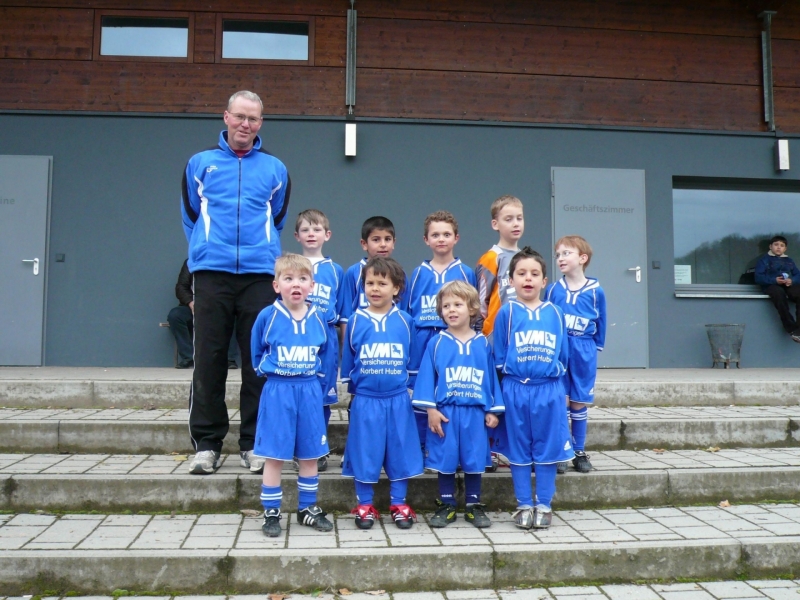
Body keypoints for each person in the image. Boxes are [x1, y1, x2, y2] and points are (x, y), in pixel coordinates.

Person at [181, 90, 291, 476]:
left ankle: (254, 444)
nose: (246, 124)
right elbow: (191, 216)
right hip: (212, 274)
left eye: (254, 119)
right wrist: (206, 251)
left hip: (260, 277)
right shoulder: (200, 164)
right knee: (208, 359)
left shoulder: (276, 169)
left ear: (261, 123)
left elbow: (276, 219)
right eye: (240, 116)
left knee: (257, 362)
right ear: (225, 116)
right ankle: (206, 445)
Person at [251, 254, 333, 537]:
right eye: (288, 279)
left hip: (309, 390)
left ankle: (307, 509)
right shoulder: (268, 316)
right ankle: (271, 511)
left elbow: (326, 353)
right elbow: (256, 351)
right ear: (277, 285)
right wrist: (268, 369)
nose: (295, 284)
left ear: (312, 284)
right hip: (278, 391)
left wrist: (320, 384)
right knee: (274, 456)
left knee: (310, 454)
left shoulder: (319, 317)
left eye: (302, 279)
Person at [493, 247, 573, 530]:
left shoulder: (555, 313)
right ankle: (524, 504)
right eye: (521, 273)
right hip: (516, 389)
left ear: (544, 280)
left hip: (548, 389)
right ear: (511, 280)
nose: (528, 279)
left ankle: (545, 504)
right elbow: (499, 357)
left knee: (547, 449)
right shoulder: (507, 312)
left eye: (534, 274)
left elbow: (563, 356)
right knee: (519, 449)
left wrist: (560, 389)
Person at [411, 281, 503, 529]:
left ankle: (473, 504)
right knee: (445, 457)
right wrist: (431, 409)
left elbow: (491, 379)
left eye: (458, 305)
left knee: (474, 458)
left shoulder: (482, 343)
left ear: (472, 308)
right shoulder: (437, 342)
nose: (451, 310)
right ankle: (446, 503)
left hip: (474, 412)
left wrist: (493, 410)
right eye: (446, 306)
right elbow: (428, 377)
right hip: (446, 412)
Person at [340, 257, 423, 530]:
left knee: (400, 450)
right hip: (366, 400)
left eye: (382, 283)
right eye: (369, 283)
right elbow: (350, 361)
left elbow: (412, 361)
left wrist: (409, 390)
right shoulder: (355, 320)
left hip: (398, 399)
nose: (375, 288)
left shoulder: (406, 321)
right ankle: (364, 504)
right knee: (365, 452)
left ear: (397, 288)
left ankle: (398, 503)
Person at [405, 211, 478, 446]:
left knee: (451, 389)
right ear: (426, 240)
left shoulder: (466, 272)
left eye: (447, 234)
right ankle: (420, 445)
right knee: (421, 391)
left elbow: (473, 310)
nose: (441, 239)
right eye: (435, 235)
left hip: (454, 337)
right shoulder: (417, 274)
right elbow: (408, 312)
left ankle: (449, 444)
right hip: (423, 337)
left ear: (456, 238)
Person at [545, 236, 606, 474]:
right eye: (558, 254)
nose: (560, 258)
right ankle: (561, 449)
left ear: (582, 258)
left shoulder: (595, 291)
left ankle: (579, 451)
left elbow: (601, 320)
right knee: (560, 400)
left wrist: (594, 348)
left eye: (566, 253)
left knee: (579, 401)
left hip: (583, 349)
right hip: (559, 350)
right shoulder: (553, 290)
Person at [294, 209, 344, 471]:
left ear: (327, 235)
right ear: (296, 235)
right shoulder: (288, 266)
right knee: (299, 396)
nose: (311, 234)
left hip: (326, 339)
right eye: (305, 230)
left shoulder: (336, 271)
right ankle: (298, 448)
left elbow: (343, 312)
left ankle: (318, 449)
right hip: (296, 341)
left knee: (322, 397)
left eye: (316, 230)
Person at [167, 260, 239, 370]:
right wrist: (191, 303)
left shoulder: (224, 263)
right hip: (193, 308)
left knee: (232, 315)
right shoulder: (190, 263)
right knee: (175, 315)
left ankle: (229, 359)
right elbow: (181, 287)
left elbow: (232, 288)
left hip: (219, 308)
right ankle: (188, 358)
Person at [338, 216, 408, 326]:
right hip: (361, 334)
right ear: (364, 244)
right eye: (376, 240)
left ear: (394, 242)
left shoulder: (400, 273)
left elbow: (404, 311)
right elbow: (346, 315)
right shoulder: (353, 272)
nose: (383, 244)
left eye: (388, 239)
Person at [476, 195, 525, 337]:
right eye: (508, 219)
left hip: (522, 330)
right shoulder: (491, 258)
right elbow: (480, 301)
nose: (516, 224)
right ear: (495, 224)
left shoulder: (527, 257)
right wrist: (481, 333)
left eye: (519, 218)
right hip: (495, 332)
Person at [755, 235, 800, 343]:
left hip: (787, 285)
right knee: (779, 296)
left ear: (785, 248)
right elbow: (759, 277)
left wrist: (791, 280)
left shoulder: (789, 260)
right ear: (770, 247)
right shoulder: (764, 260)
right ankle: (790, 327)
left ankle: (799, 329)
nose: (779, 247)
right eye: (776, 245)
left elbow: (798, 275)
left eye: (782, 245)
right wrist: (774, 280)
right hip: (772, 286)